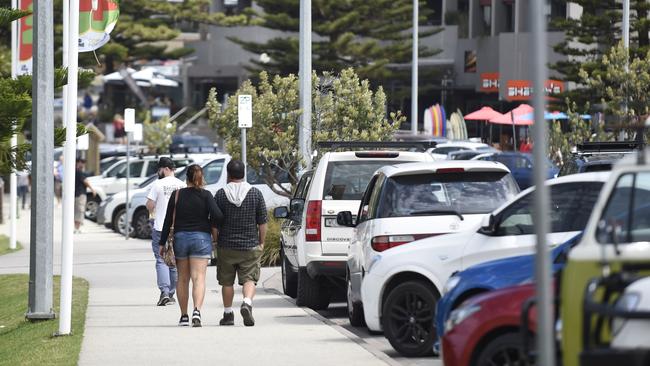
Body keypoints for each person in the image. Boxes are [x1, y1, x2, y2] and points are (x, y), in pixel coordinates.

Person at [159, 164, 223, 327]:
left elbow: (167, 220)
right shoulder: (206, 195)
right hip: (201, 238)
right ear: (201, 178)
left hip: (180, 238)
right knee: (199, 278)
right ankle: (197, 311)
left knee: (182, 279)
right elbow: (218, 216)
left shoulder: (177, 194)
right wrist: (208, 223)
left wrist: (161, 243)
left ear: (186, 178)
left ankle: (184, 316)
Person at [214, 159, 267, 327]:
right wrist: (261, 242)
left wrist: (216, 241)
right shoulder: (255, 193)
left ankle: (228, 314)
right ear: (243, 173)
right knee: (249, 279)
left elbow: (214, 223)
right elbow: (263, 222)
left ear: (228, 174)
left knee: (227, 282)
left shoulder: (221, 194)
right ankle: (246, 303)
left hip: (226, 246)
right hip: (250, 246)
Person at [146, 157, 186, 307]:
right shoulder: (182, 185)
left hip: (160, 226)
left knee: (161, 259)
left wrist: (155, 206)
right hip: (178, 228)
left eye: (160, 170)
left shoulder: (157, 184)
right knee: (174, 261)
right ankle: (171, 293)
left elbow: (149, 205)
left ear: (165, 169)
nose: (159, 172)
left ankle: (164, 292)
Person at [74, 158, 96, 233]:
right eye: (82, 162)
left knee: (77, 211)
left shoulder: (74, 171)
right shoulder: (79, 172)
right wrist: (92, 189)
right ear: (78, 163)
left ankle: (77, 227)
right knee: (80, 210)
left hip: (77, 194)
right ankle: (77, 228)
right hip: (80, 194)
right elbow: (85, 181)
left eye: (84, 162)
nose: (83, 164)